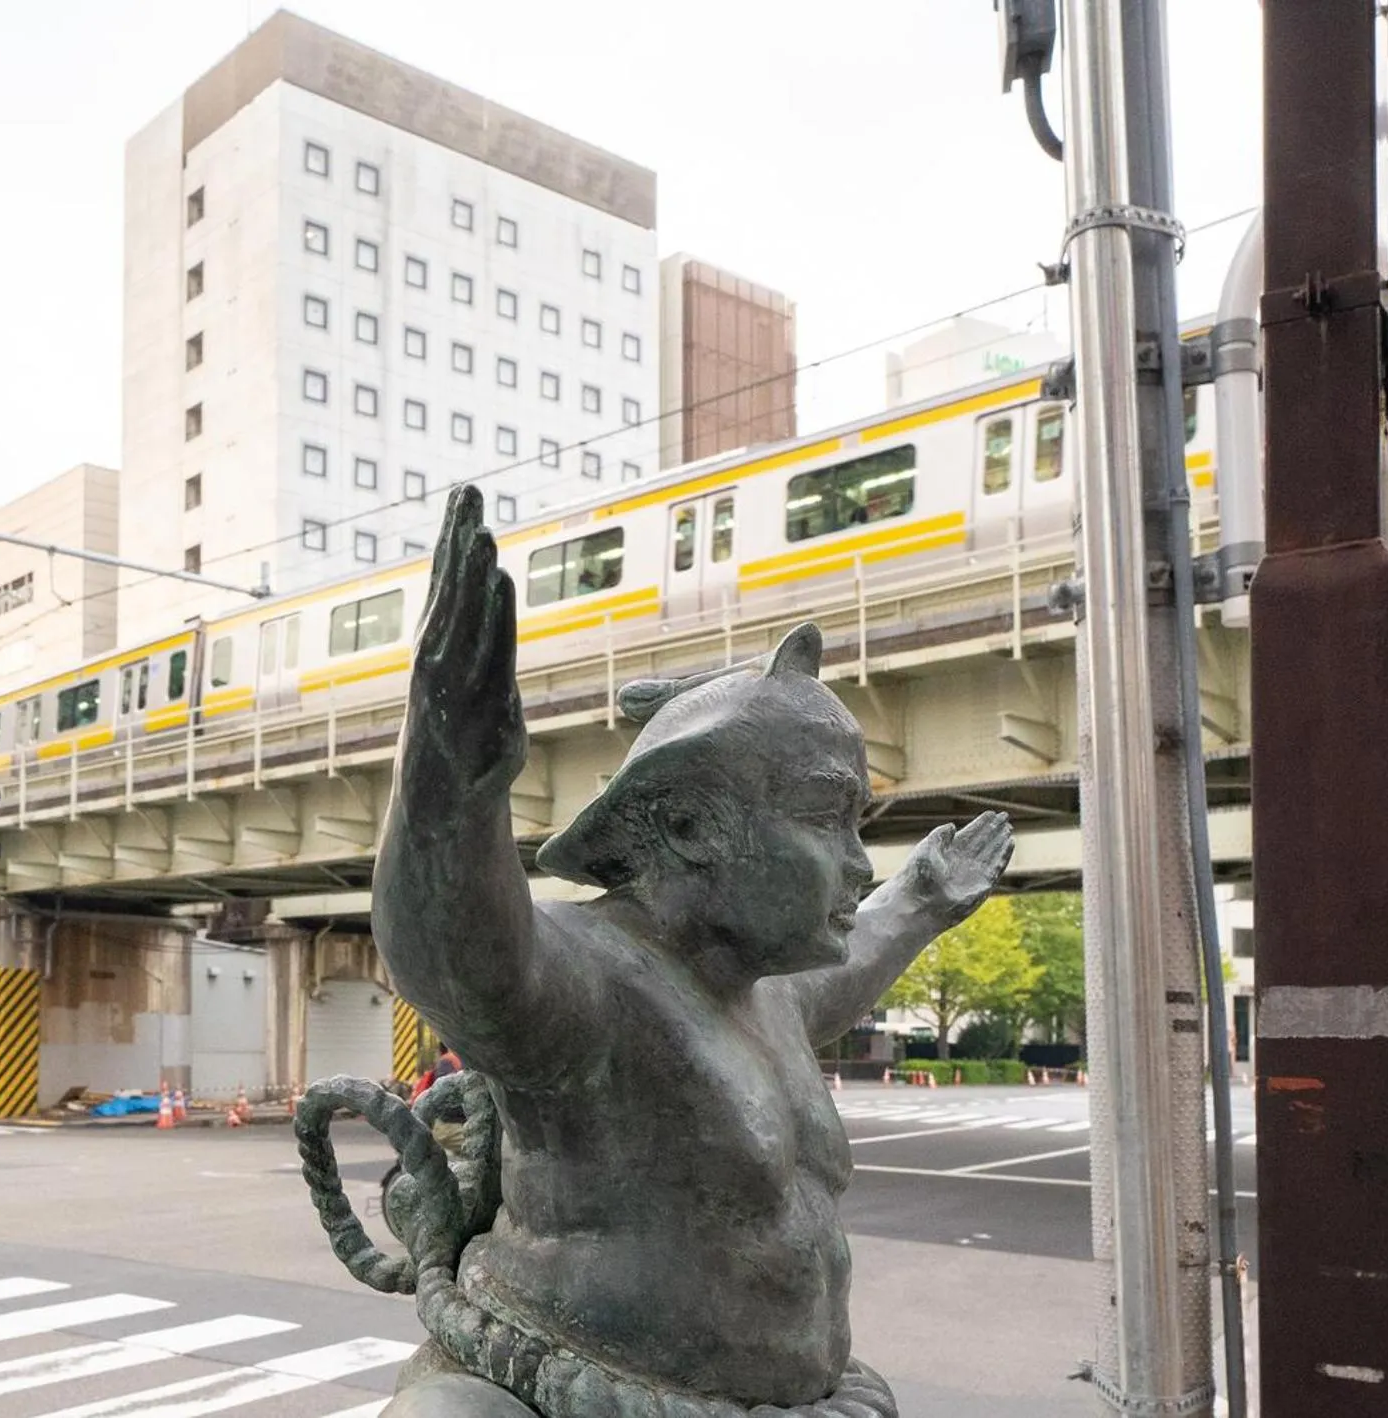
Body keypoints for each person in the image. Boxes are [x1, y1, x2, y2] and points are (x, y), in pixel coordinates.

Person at [371, 487, 1011, 1416]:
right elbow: (453, 945)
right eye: (825, 820)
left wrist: (917, 900)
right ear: (686, 824)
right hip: (563, 1387)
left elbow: (857, 956)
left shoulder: (771, 996)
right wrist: (446, 782)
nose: (855, 862)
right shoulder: (588, 986)